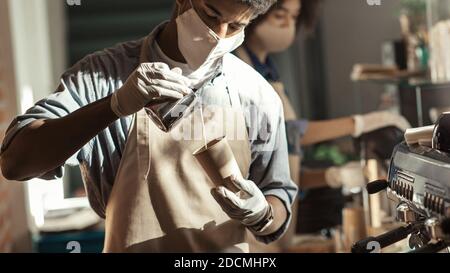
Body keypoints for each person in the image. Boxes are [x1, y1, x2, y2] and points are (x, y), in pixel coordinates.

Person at [0, 0, 297, 253]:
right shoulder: (103, 76)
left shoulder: (256, 95)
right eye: (211, 14)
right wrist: (113, 106)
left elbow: (278, 198)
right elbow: (16, 163)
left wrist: (262, 213)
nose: (218, 36)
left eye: (235, 27)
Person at [234, 0, 410, 251]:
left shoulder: (268, 71)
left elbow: (287, 162)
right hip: (252, 223)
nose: (288, 25)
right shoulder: (238, 70)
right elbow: (289, 132)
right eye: (280, 16)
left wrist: (331, 176)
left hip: (281, 215)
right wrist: (360, 123)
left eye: (294, 17)